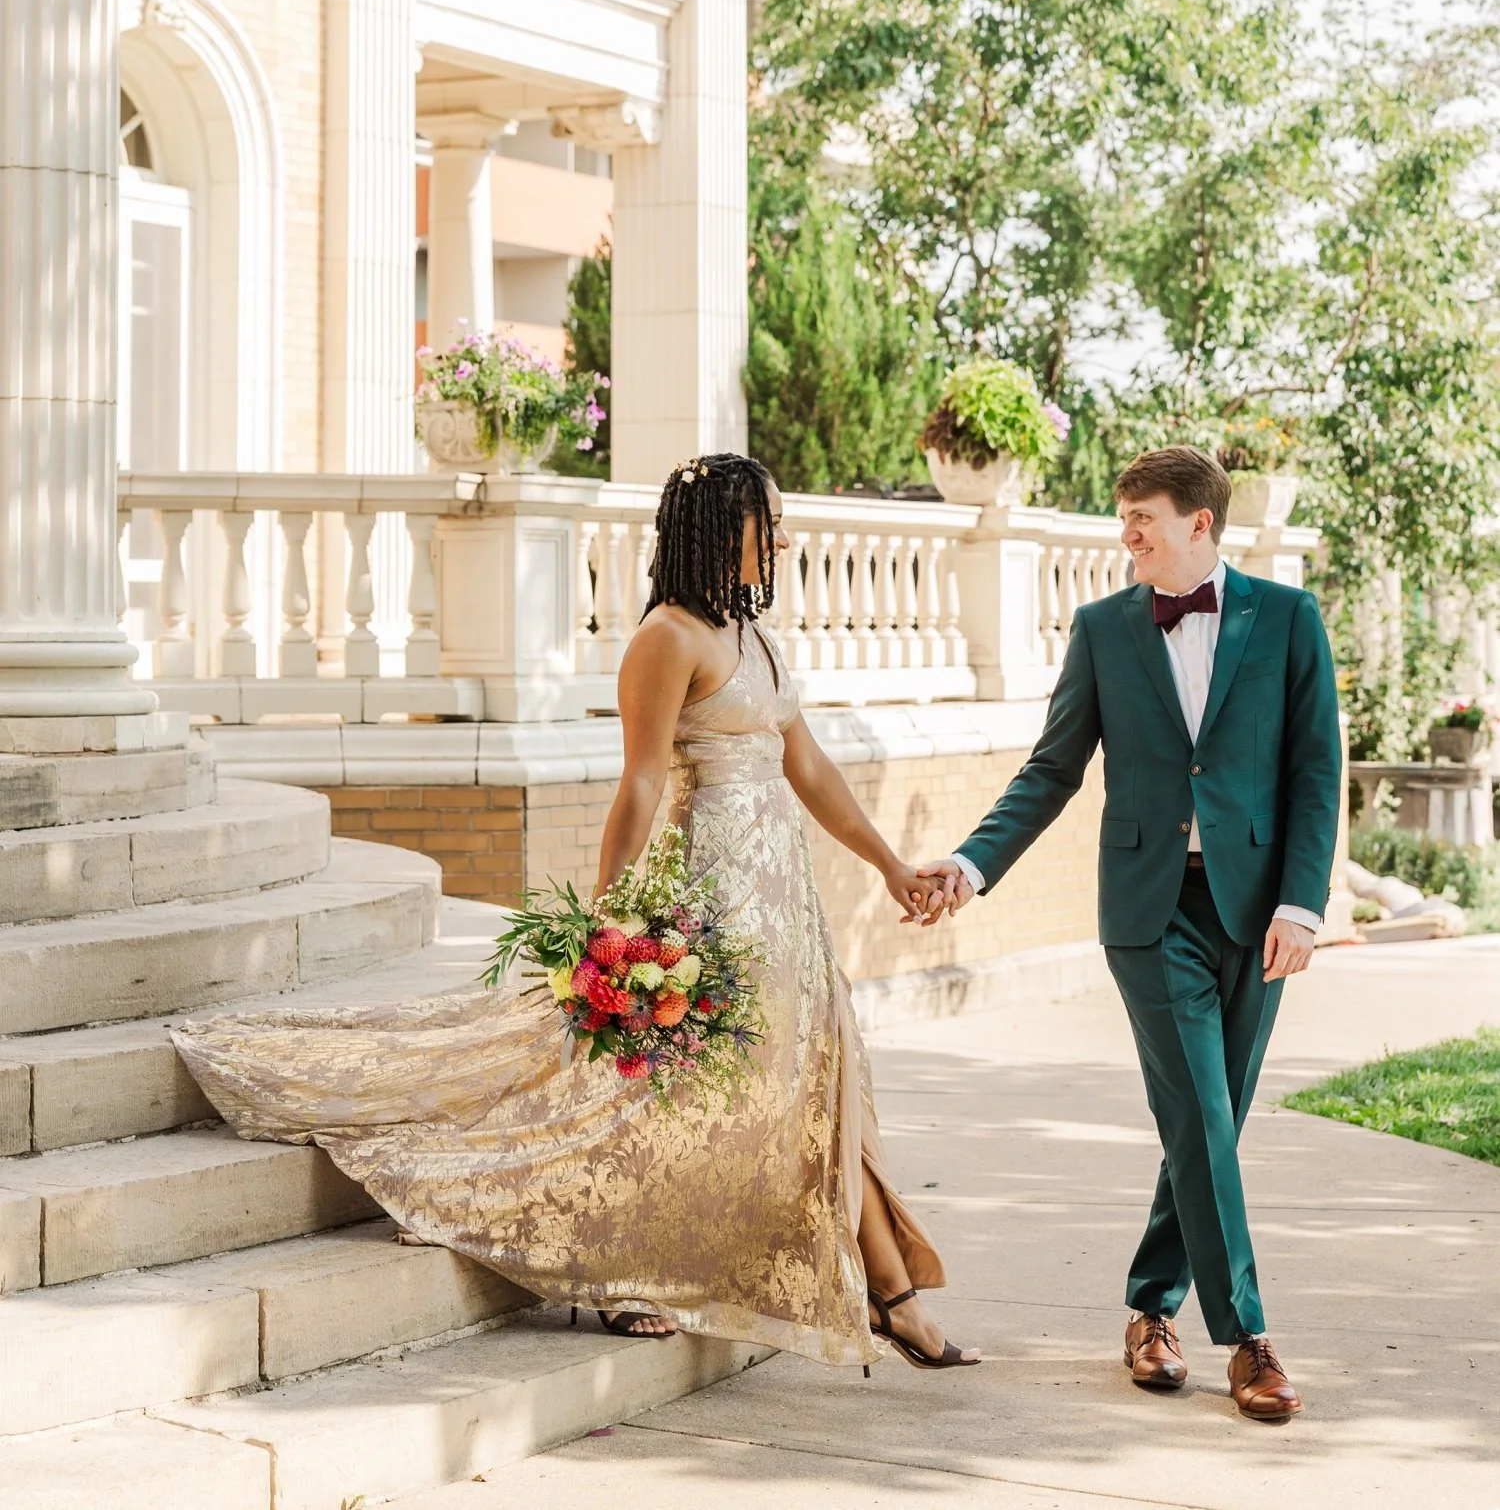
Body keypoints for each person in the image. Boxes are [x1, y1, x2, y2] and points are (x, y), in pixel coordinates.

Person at [172, 453, 978, 1373]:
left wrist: (888, 865)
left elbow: (810, 767)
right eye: (772, 523)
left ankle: (890, 1292)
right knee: (662, 1089)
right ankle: (630, 1267)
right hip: (709, 897)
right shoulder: (667, 638)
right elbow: (639, 784)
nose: (787, 539)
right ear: (726, 529)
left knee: (820, 1072)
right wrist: (609, 920)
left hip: (786, 903)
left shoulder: (753, 634)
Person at [919, 445, 1340, 1422]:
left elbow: (1316, 769)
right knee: (1201, 1113)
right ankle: (1248, 1338)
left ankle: (1151, 1309)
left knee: (1209, 1122)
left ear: (1200, 521)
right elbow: (1051, 768)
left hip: (1258, 912)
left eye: (1142, 517)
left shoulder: (1289, 618)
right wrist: (971, 864)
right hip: (1151, 913)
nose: (1127, 535)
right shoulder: (1105, 628)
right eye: (1125, 518)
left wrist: (1303, 904)